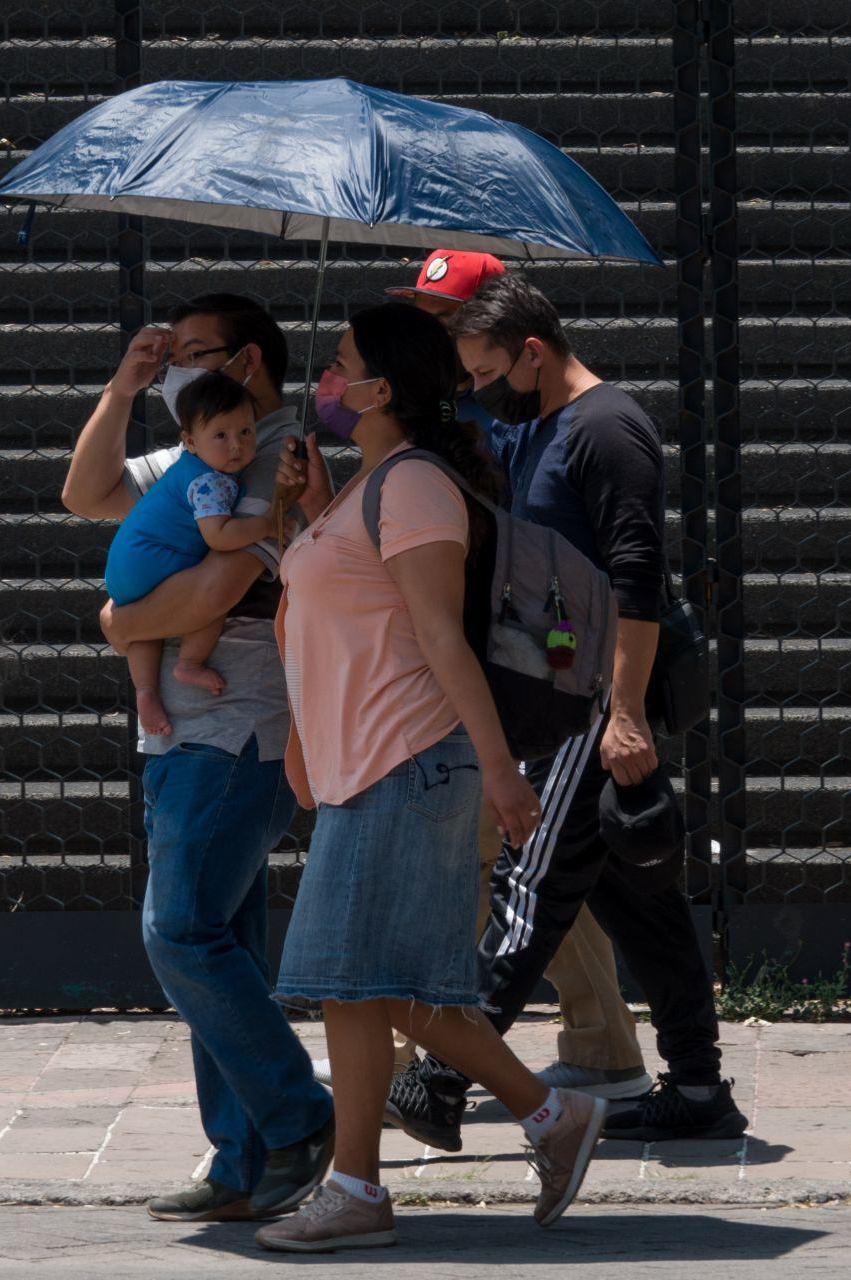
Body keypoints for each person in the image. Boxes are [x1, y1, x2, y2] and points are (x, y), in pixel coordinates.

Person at [253, 303, 607, 1253]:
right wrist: (308, 506)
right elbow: (338, 626)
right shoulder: (370, 486)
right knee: (383, 986)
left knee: (351, 981)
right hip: (365, 767)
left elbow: (443, 641)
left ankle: (361, 1187)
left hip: (408, 764)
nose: (326, 384)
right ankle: (548, 1118)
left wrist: (502, 772)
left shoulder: (413, 489)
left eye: (340, 368)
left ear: (385, 388)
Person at [401, 272, 748, 1144]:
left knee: (528, 891)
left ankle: (442, 1078)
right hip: (563, 696)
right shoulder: (538, 426)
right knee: (641, 901)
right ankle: (701, 1093)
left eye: (486, 372)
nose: (480, 390)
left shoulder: (606, 428)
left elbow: (637, 579)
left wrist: (623, 712)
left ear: (532, 351)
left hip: (592, 705)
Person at [313, 253, 653, 1139]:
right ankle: (596, 1054)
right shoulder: (453, 437)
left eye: (440, 314)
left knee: (422, 935)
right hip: (450, 714)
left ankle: (468, 1092)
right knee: (533, 881)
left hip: (461, 714)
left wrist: (621, 709)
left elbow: (625, 582)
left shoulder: (457, 453)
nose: (432, 329)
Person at [63, 294, 335, 1223]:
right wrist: (123, 384)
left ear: (249, 360)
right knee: (227, 943)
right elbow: (85, 494)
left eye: (193, 354)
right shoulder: (200, 443)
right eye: (168, 357)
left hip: (234, 731)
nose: (176, 366)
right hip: (187, 732)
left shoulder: (274, 453)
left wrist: (120, 623)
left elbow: (220, 582)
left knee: (179, 933)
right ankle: (244, 1158)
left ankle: (298, 1121)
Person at [104, 373, 281, 738]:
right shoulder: (210, 481)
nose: (236, 446)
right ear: (190, 442)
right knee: (207, 603)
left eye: (245, 432)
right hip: (153, 560)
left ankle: (145, 691)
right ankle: (190, 662)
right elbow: (219, 536)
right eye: (221, 435)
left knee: (147, 627)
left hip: (126, 567)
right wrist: (265, 525)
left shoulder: (187, 469)